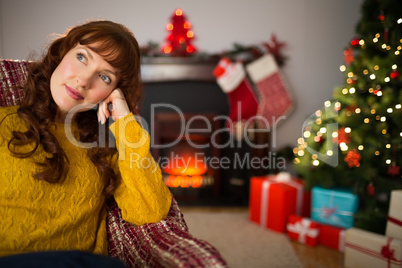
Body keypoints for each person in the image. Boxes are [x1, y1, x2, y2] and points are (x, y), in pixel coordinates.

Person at [0, 20, 172, 263]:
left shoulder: (104, 148)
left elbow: (150, 211)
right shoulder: (3, 123)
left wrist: (125, 121)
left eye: (104, 77)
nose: (83, 81)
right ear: (62, 52)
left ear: (113, 92)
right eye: (82, 57)